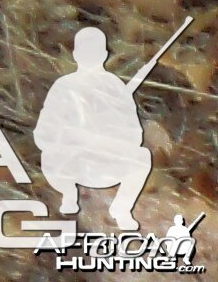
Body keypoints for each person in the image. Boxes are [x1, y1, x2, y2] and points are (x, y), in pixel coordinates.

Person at [33, 28, 154, 230]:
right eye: (85, 52)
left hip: (106, 159)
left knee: (141, 157)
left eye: (95, 52)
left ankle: (122, 209)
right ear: (76, 55)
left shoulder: (115, 87)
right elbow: (43, 133)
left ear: (104, 55)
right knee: (52, 156)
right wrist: (68, 136)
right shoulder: (64, 86)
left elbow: (134, 134)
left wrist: (109, 133)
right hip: (70, 161)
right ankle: (69, 194)